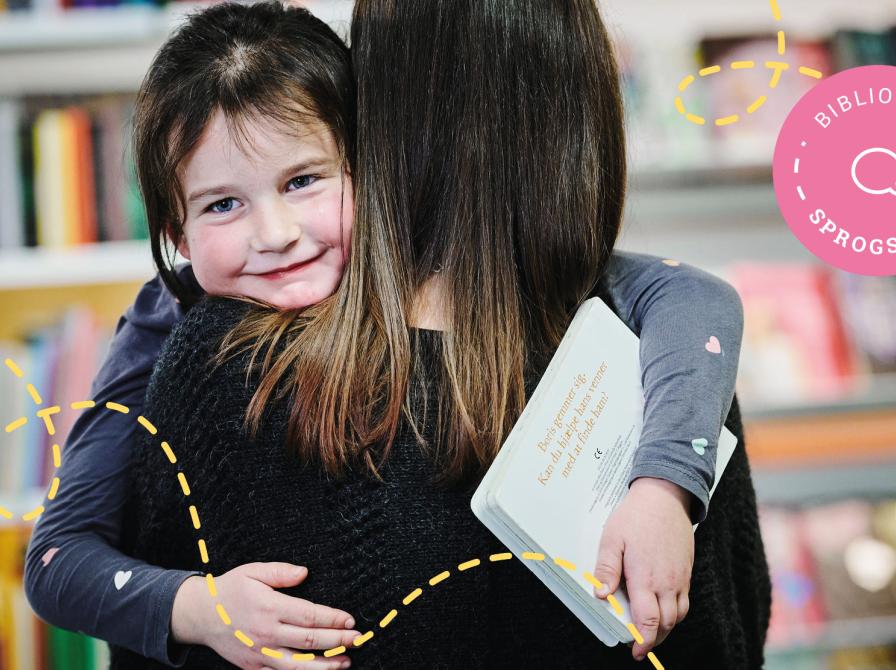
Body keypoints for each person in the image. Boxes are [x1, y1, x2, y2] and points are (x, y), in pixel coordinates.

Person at [23, 1, 767, 668]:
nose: (274, 234)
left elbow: (690, 290)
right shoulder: (172, 318)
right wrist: (196, 607)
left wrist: (663, 484)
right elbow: (59, 557)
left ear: (367, 156)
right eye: (221, 205)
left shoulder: (637, 332)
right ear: (175, 234)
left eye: (304, 181)